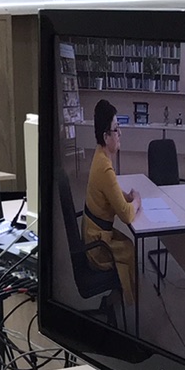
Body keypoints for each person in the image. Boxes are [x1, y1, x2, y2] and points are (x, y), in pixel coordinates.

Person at [82, 99, 142, 310]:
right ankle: (116, 300)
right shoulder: (104, 167)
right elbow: (126, 215)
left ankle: (116, 297)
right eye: (116, 129)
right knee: (130, 249)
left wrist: (125, 196)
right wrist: (136, 201)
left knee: (127, 244)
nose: (120, 134)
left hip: (93, 231)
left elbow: (110, 191)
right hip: (97, 244)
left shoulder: (100, 155)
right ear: (106, 136)